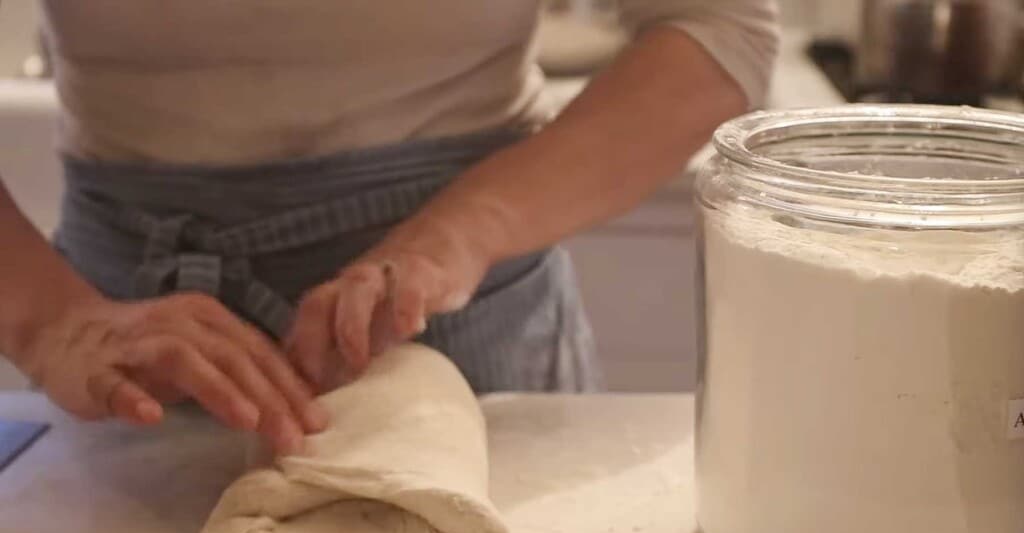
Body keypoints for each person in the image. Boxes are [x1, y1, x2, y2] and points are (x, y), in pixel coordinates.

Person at [0, 1, 779, 455]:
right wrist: (49, 320)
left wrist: (463, 232)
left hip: (464, 318)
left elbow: (714, 28)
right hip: (127, 358)